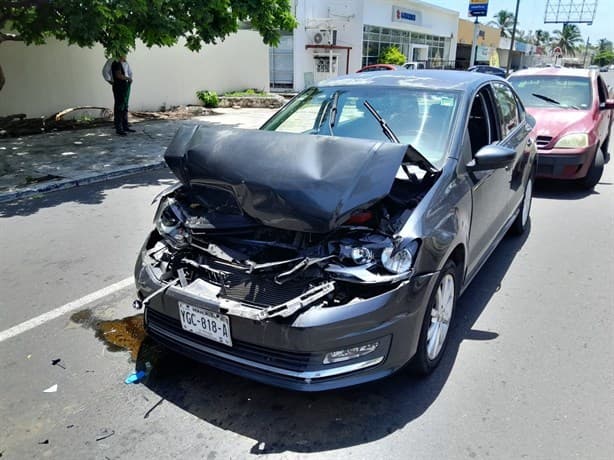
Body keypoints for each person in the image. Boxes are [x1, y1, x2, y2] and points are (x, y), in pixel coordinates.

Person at [111, 55, 135, 135]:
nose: (126, 56)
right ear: (121, 55)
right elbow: (118, 75)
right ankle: (119, 129)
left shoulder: (122, 63)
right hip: (119, 87)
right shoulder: (116, 63)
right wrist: (128, 78)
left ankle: (125, 126)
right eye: (125, 55)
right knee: (119, 107)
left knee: (124, 106)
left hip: (124, 86)